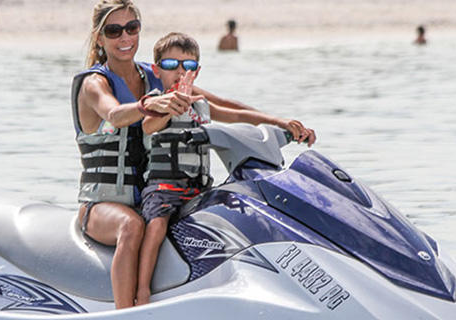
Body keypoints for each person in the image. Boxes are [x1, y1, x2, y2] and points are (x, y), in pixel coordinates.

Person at [71, 0, 315, 309]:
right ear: (99, 37)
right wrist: (150, 105)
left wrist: (280, 123)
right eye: (114, 30)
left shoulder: (157, 74)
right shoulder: (94, 83)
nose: (125, 38)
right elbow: (116, 114)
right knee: (131, 226)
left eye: (132, 28)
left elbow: (226, 107)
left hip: (154, 193)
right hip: (103, 204)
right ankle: (127, 312)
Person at [134, 32, 314, 305]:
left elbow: (237, 115)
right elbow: (148, 127)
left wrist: (280, 123)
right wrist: (172, 107)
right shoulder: (157, 102)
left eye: (189, 66)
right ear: (157, 70)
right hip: (163, 190)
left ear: (197, 71)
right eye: (172, 66)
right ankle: (142, 290)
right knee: (157, 225)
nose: (181, 72)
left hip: (198, 189)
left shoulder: (201, 103)